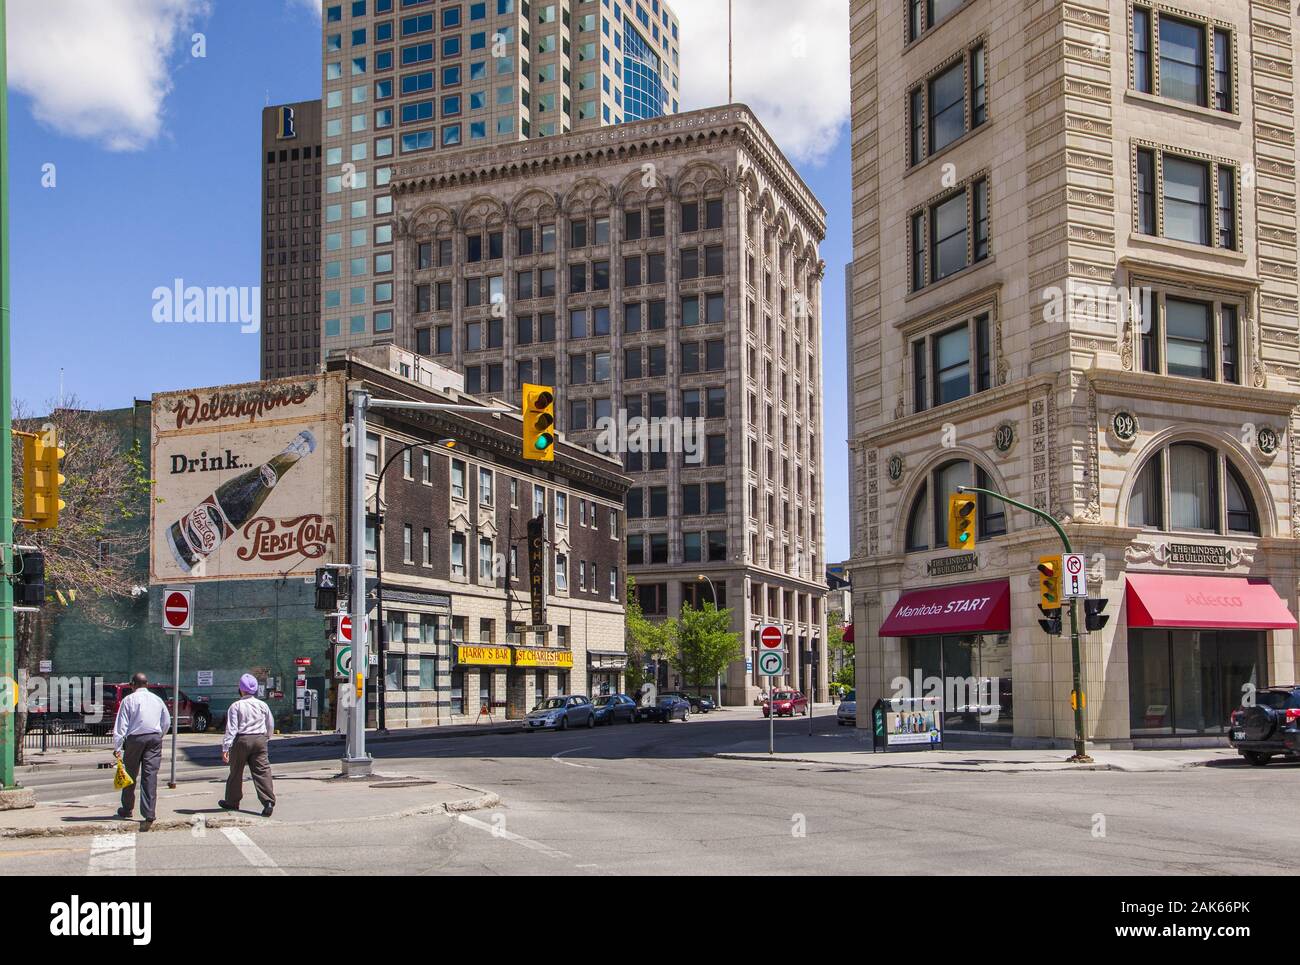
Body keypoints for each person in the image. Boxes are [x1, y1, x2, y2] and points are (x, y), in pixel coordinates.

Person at [112, 673, 171, 827]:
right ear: (147, 684)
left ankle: (127, 808)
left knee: (130, 774)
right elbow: (166, 721)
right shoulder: (157, 700)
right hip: (154, 739)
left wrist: (117, 746)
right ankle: (149, 812)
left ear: (133, 685)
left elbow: (121, 725)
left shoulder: (129, 700)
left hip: (135, 740)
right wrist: (160, 735)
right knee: (150, 775)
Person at [219, 674, 277, 817]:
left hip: (241, 740)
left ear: (241, 689)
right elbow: (270, 724)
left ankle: (232, 801)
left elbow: (231, 728)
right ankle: (268, 802)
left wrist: (226, 747)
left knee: (236, 772)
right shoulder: (263, 705)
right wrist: (266, 738)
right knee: (262, 771)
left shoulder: (236, 706)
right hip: (260, 740)